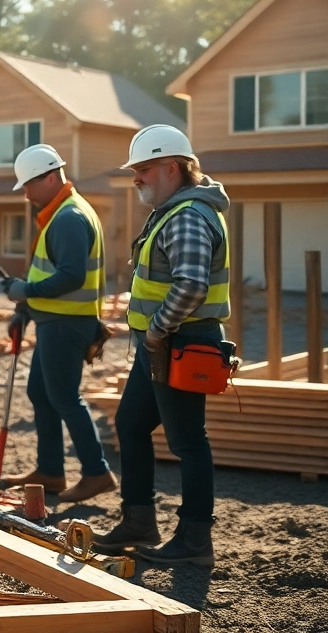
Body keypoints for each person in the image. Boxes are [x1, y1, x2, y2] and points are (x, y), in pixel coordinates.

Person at [95, 125, 230, 566]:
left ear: (172, 168)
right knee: (131, 423)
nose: (136, 178)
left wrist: (155, 331)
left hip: (179, 342)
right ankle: (139, 521)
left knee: (188, 441)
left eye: (144, 169)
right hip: (162, 344)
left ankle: (195, 540)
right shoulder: (172, 211)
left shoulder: (188, 215)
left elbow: (191, 285)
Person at [0, 144, 115, 503]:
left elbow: (71, 276)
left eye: (29, 185)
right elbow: (50, 272)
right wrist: (25, 309)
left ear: (50, 178)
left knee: (64, 397)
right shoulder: (60, 213)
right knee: (41, 392)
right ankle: (50, 470)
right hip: (55, 321)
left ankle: (96, 472)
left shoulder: (69, 217)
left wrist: (26, 290)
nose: (26, 194)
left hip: (67, 323)